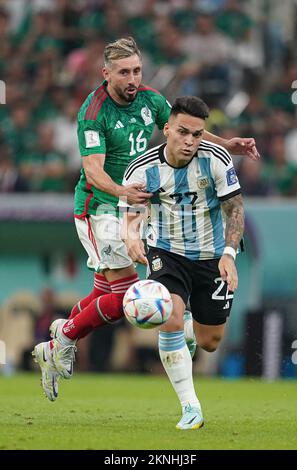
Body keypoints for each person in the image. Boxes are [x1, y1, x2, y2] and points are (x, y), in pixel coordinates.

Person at [32, 37, 254, 402]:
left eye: (137, 70)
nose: (133, 78)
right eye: (124, 72)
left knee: (106, 292)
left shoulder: (150, 98)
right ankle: (65, 339)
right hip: (99, 208)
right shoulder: (93, 112)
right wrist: (123, 193)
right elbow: (93, 170)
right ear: (106, 74)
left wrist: (227, 144)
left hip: (134, 207)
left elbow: (184, 126)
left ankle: (62, 333)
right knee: (125, 294)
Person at [119, 96, 245, 430]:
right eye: (183, 132)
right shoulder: (142, 169)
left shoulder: (217, 159)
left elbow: (235, 210)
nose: (189, 141)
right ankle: (191, 408)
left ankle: (191, 330)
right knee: (170, 317)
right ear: (167, 129)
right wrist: (132, 237)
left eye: (197, 134)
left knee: (210, 342)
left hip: (213, 255)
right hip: (166, 252)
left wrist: (230, 256)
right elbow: (130, 215)